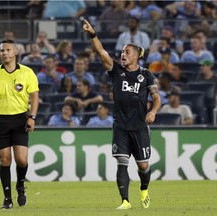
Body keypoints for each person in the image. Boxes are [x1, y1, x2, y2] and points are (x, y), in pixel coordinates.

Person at [83, 19, 161, 210]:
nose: (123, 55)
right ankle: (125, 201)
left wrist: (153, 111)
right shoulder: (116, 71)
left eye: (127, 52)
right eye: (122, 52)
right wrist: (93, 34)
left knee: (143, 166)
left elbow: (157, 97)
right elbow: (101, 52)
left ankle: (144, 189)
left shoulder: (147, 75)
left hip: (140, 126)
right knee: (122, 162)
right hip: (120, 125)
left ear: (136, 56)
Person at [0, 39, 39, 209]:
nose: (4, 52)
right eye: (1, 50)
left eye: (7, 49)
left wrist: (32, 117)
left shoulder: (27, 73)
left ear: (15, 52)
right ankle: (7, 198)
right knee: (4, 160)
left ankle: (20, 186)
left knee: (21, 159)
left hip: (20, 119)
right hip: (0, 120)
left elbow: (34, 96)